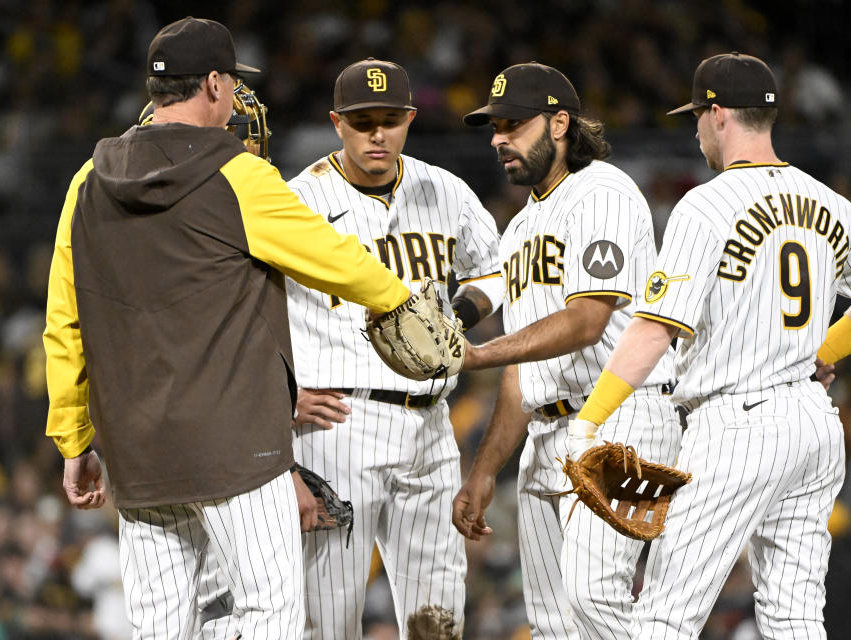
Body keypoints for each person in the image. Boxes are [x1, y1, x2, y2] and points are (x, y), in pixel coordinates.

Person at [44, 18, 416, 640]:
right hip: (238, 451)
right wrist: (400, 301)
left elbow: (64, 324)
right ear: (215, 84)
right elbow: (338, 262)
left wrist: (73, 440)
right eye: (232, 85)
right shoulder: (237, 174)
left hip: (138, 455)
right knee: (270, 619)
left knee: (160, 627)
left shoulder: (86, 182)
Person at [570, 52, 851, 639]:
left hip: (738, 427)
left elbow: (654, 329)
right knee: (795, 618)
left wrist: (589, 421)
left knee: (663, 615)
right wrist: (821, 354)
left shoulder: (706, 205)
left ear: (719, 114)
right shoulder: (826, 200)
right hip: (813, 425)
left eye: (698, 116)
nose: (695, 128)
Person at [452, 62, 681, 639]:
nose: (499, 137)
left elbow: (585, 321)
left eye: (513, 123)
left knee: (593, 596)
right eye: (494, 126)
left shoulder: (601, 191)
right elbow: (523, 367)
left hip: (620, 415)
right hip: (548, 432)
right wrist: (483, 471)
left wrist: (479, 353)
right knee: (555, 623)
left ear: (559, 123)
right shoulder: (521, 227)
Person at [284, 58, 502, 640]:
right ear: (336, 123)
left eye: (389, 119)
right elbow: (254, 312)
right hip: (338, 422)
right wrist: (283, 395)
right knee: (328, 613)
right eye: (361, 122)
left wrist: (458, 316)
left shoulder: (444, 188)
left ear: (409, 119)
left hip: (430, 422)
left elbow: (497, 269)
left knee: (439, 611)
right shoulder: (298, 199)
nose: (376, 134)